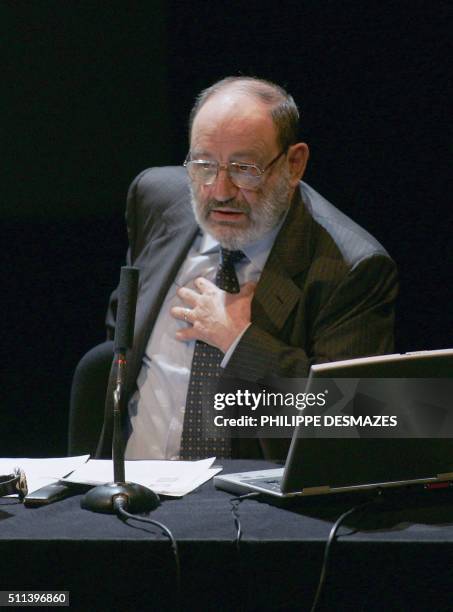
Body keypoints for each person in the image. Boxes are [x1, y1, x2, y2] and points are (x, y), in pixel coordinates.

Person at [99, 76, 398, 461]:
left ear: (294, 163)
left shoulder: (350, 268)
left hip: (244, 509)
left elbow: (359, 422)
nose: (220, 190)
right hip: (130, 492)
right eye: (204, 165)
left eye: (244, 168)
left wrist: (241, 341)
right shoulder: (155, 198)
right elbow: (121, 331)